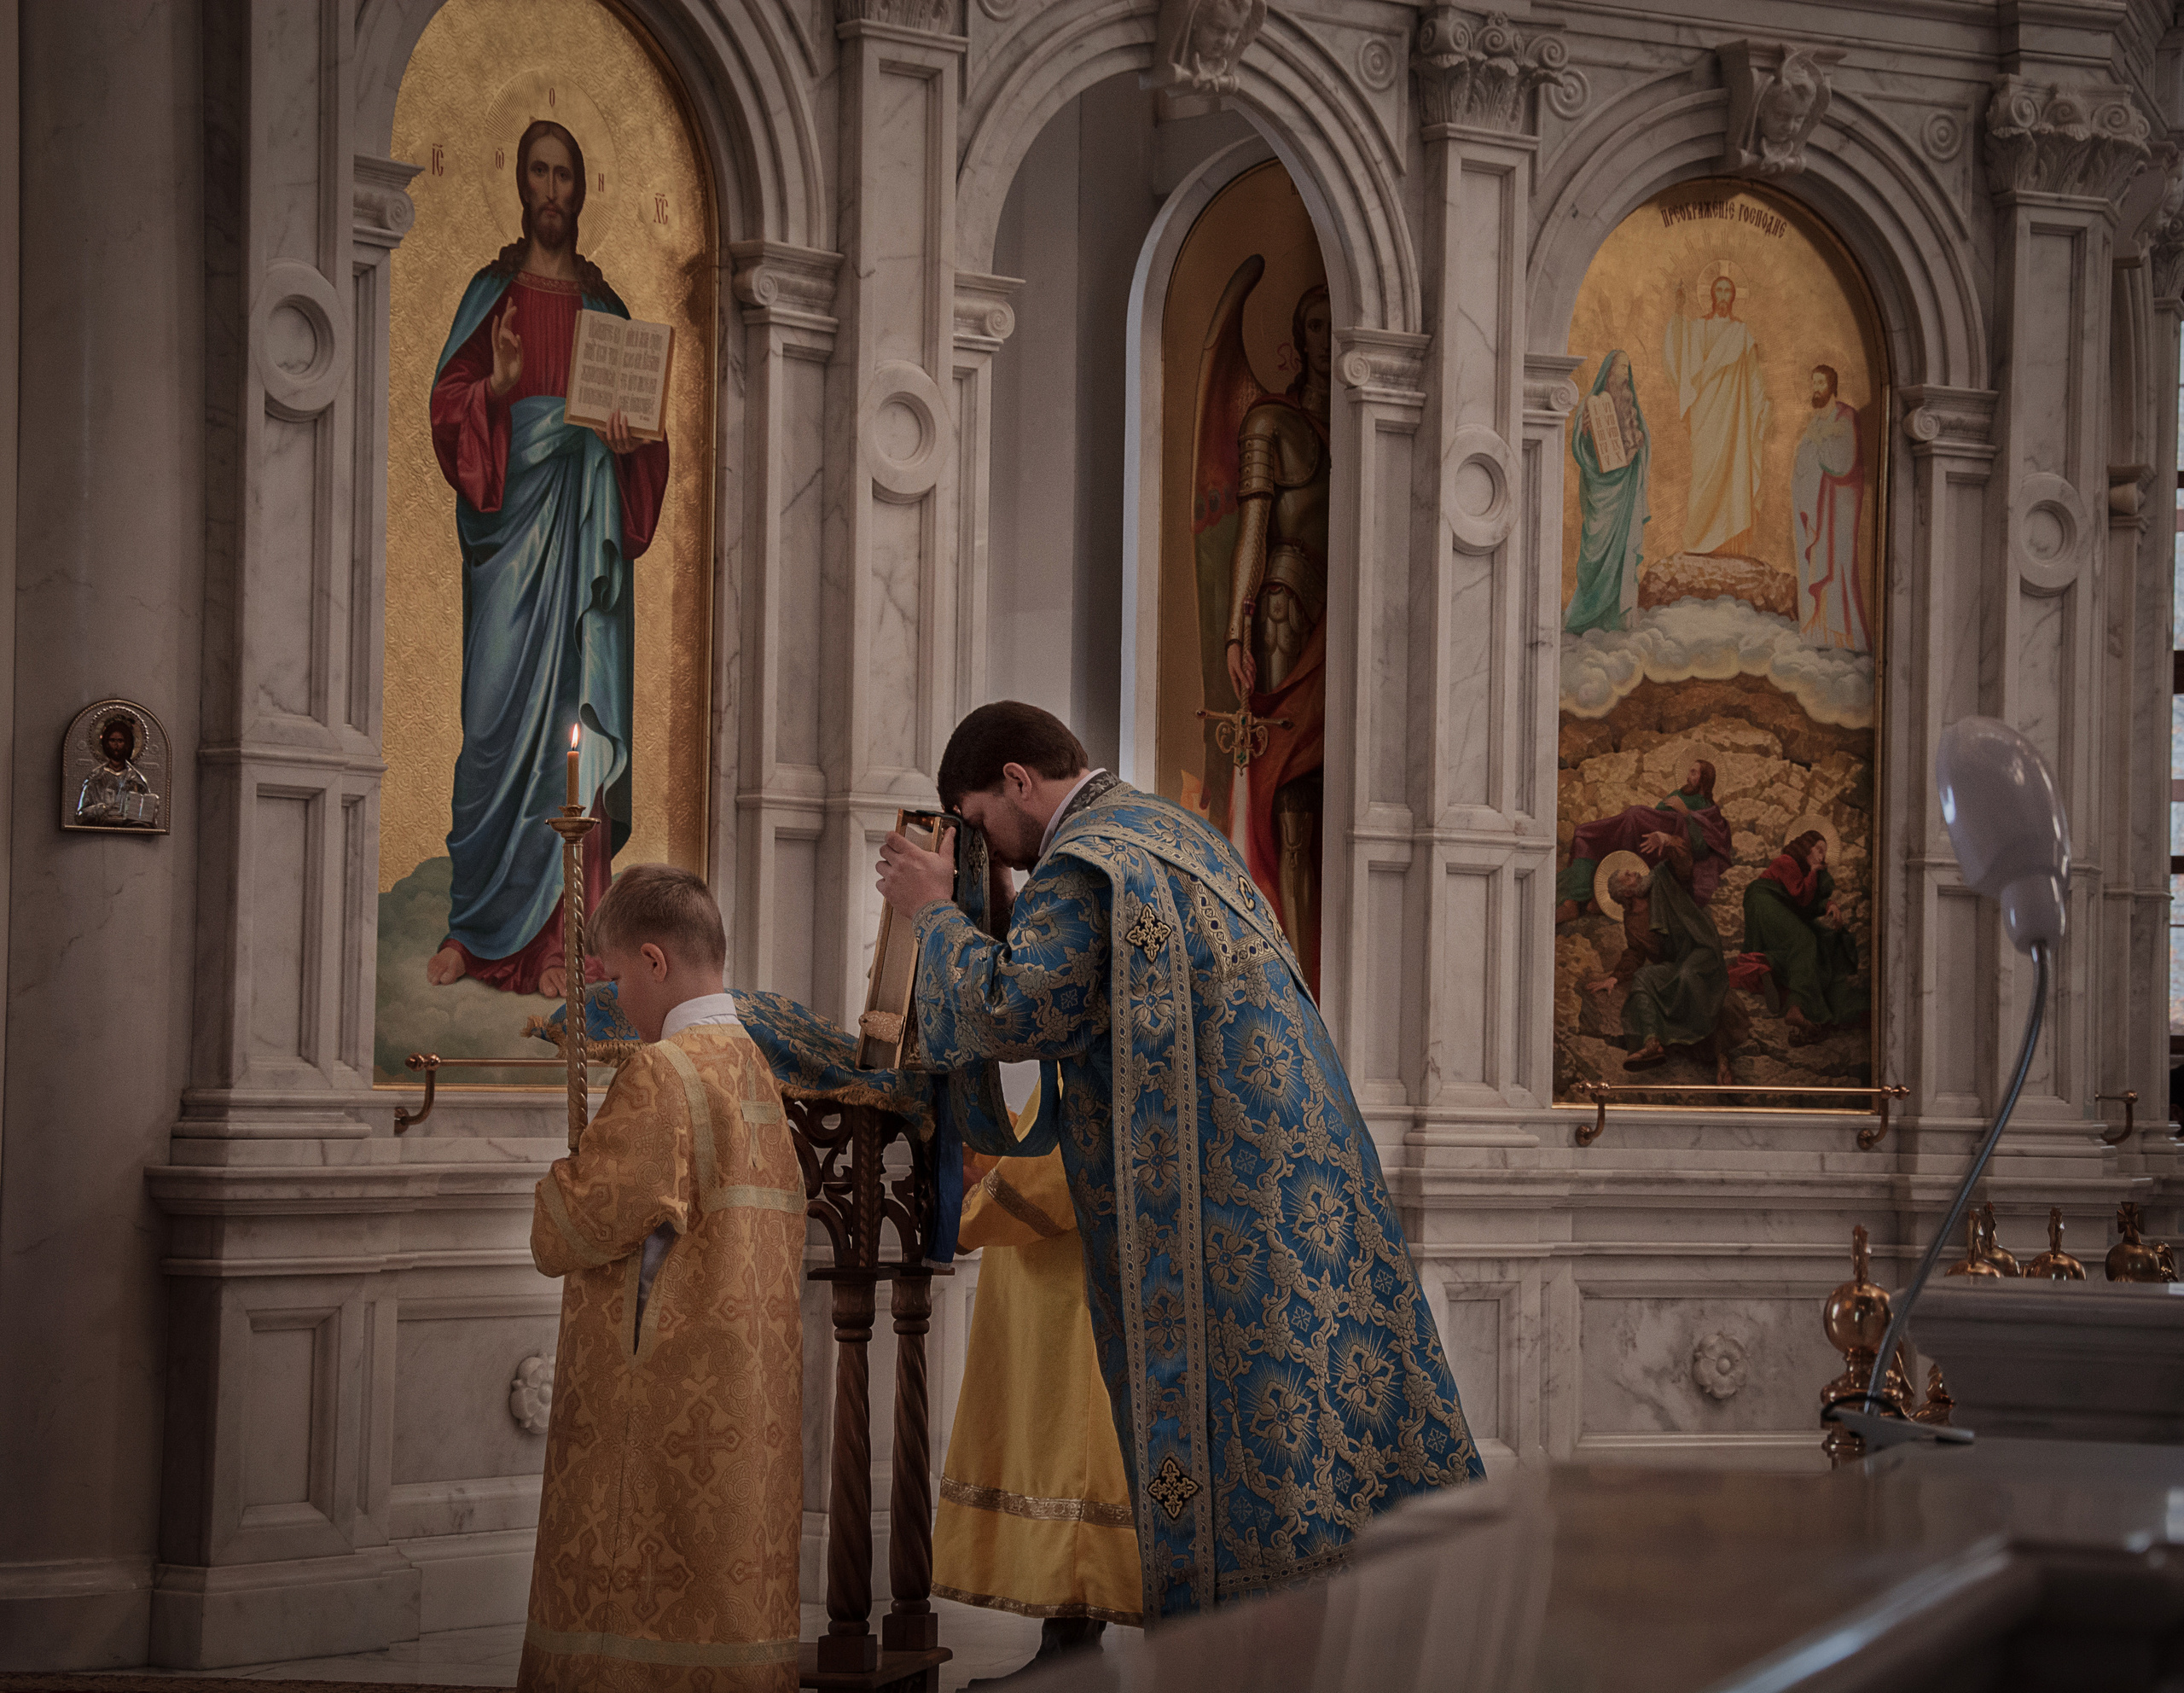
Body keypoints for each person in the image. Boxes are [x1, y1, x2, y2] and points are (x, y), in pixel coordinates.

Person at [874, 701, 1482, 1626]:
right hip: (1287, 1180)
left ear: (1015, 782)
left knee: (1245, 1440)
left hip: (1209, 1213)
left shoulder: (1085, 864)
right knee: (1307, 1424)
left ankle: (1242, 1654)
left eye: (977, 823)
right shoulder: (1171, 832)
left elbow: (1013, 1011)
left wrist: (931, 914)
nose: (984, 850)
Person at [520, 864, 800, 1692]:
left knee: (631, 1619)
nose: (615, 1004)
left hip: (660, 1393)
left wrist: (557, 1180)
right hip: (743, 1389)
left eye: (611, 978)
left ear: (653, 960)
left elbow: (567, 1230)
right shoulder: (757, 1068)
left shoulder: (663, 1073)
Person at [426, 119, 671, 997]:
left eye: (567, 176)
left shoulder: (606, 314)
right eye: (540, 172)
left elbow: (646, 449)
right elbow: (448, 413)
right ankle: (477, 933)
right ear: (520, 183)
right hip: (508, 543)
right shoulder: (488, 294)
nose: (554, 191)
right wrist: (495, 389)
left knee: (579, 729)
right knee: (492, 728)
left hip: (584, 549)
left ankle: (569, 945)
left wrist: (624, 442)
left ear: (582, 189)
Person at [933, 1109, 1141, 1679]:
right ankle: (1069, 1646)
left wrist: (965, 1212)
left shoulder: (1091, 1055)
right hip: (1072, 1285)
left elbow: (1052, 1175)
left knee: (1075, 1471)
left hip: (1073, 1296)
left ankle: (1070, 1656)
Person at [1222, 283, 1333, 992]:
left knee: (1329, 796)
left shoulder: (1366, 422)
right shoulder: (1271, 424)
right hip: (1288, 610)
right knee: (1291, 793)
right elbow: (1252, 537)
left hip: (1345, 619)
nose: (1328, 337)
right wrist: (1237, 632)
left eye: (1336, 325)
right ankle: (1294, 974)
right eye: (1315, 324)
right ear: (1299, 339)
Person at [1584, 844, 1747, 1085]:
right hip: (1677, 964)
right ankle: (1652, 1043)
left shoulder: (1663, 881)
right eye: (1627, 876)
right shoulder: (1632, 921)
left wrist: (1669, 840)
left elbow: (1683, 865)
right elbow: (1635, 953)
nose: (1635, 873)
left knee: (1688, 975)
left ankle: (1720, 1055)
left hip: (1702, 949)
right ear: (1626, 893)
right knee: (1644, 978)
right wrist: (1615, 977)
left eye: (1631, 871)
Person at [1661, 270, 1769, 556]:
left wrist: (1761, 408)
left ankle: (1727, 544)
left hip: (1733, 416)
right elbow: (1679, 358)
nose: (1723, 297)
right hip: (1705, 411)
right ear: (1711, 295)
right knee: (1704, 472)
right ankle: (1697, 540)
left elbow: (1754, 378)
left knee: (1732, 470)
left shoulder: (1741, 334)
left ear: (1733, 297)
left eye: (1728, 292)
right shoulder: (1697, 328)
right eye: (1718, 291)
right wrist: (1679, 309)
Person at [1555, 759, 1731, 920]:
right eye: (1689, 771)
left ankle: (1594, 899)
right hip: (1641, 830)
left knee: (1633, 816)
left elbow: (1701, 847)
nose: (1687, 776)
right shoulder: (1679, 793)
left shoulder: (1707, 808)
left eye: (1693, 772)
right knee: (1586, 834)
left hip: (1659, 848)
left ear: (1704, 779)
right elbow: (1656, 813)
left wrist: (1684, 813)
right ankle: (1572, 902)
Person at [1739, 829, 1868, 1042]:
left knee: (1807, 945)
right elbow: (1800, 896)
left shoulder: (1806, 871)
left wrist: (1830, 904)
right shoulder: (1786, 861)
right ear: (1806, 846)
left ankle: (1769, 966)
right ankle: (1796, 1008)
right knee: (1804, 939)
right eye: (1819, 849)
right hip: (1763, 901)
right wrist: (1815, 871)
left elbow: (1808, 906)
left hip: (1777, 906)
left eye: (1824, 853)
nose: (1822, 856)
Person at [1563, 350, 1652, 636]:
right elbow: (1581, 448)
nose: (1624, 375)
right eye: (1620, 369)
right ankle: (1584, 617)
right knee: (1593, 555)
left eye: (1628, 369)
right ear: (1608, 372)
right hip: (1601, 491)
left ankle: (1617, 617)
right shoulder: (1592, 405)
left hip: (1624, 487)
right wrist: (1587, 433)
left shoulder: (1630, 405)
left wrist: (1636, 446)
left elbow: (1642, 442)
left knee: (1623, 550)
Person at [1791, 364, 1867, 652]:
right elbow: (1803, 460)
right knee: (1820, 564)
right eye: (1813, 383)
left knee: (1838, 564)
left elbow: (1843, 462)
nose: (1815, 388)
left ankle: (1844, 634)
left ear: (1832, 385)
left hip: (1841, 506)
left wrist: (1822, 445)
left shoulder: (1846, 417)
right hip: (1820, 505)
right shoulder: (1817, 422)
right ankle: (1820, 629)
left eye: (1820, 382)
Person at [75, 715, 154, 826]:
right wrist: (102, 809)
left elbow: (147, 817)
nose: (116, 745)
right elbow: (80, 816)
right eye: (112, 740)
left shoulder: (136, 780)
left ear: (127, 744)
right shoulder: (95, 778)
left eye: (120, 741)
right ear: (106, 743)